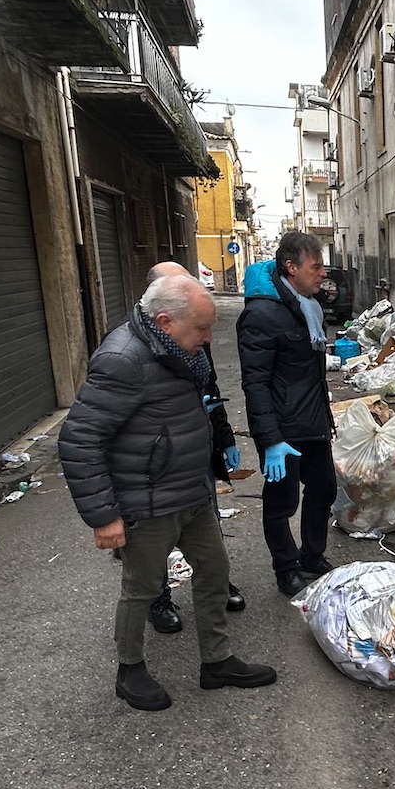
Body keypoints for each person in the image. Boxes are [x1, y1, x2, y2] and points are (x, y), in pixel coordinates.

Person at [59, 274, 276, 710]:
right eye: (201, 328)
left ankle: (216, 661)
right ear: (164, 320)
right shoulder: (123, 359)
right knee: (141, 590)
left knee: (214, 573)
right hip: (147, 500)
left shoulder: (179, 351)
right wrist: (103, 516)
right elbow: (79, 439)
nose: (208, 338)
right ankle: (130, 670)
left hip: (191, 493)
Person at [142, 261, 245, 636]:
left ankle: (216, 584)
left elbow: (209, 388)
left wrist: (224, 437)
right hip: (156, 464)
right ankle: (157, 597)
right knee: (153, 540)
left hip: (198, 452)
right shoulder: (130, 348)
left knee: (207, 527)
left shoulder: (192, 333)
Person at [238, 231, 335, 596]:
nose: (322, 273)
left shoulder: (308, 306)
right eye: (316, 266)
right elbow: (256, 383)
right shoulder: (261, 314)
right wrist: (271, 439)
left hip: (312, 423)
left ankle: (312, 555)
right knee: (282, 502)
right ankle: (286, 567)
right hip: (282, 429)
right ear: (290, 267)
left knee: (324, 488)